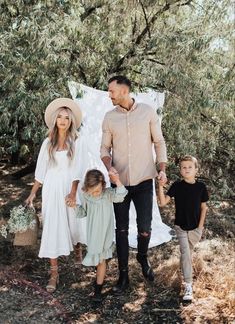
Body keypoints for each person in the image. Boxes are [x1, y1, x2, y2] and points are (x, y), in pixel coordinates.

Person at [100, 75, 168, 294]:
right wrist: (109, 166)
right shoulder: (109, 117)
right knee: (120, 229)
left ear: (124, 91)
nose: (109, 94)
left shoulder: (147, 112)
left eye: (111, 91)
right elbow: (104, 149)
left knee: (145, 228)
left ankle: (142, 257)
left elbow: (159, 142)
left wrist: (162, 168)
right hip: (119, 183)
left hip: (144, 180)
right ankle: (123, 276)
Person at [26, 98, 85, 293]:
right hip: (51, 189)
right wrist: (32, 194)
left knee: (74, 223)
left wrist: (74, 192)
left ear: (71, 121)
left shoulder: (77, 141)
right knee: (52, 227)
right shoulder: (47, 143)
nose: (62, 120)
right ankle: (54, 273)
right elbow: (40, 172)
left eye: (66, 118)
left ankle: (77, 249)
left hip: (70, 187)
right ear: (55, 120)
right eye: (59, 117)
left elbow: (78, 169)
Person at [158, 155, 209, 301]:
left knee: (186, 255)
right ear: (180, 170)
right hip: (180, 227)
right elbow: (162, 203)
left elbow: (204, 208)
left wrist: (200, 228)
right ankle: (188, 286)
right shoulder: (176, 186)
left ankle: (184, 275)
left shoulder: (201, 187)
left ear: (196, 170)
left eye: (190, 167)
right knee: (186, 253)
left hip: (195, 229)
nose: (187, 170)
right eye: (184, 167)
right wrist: (160, 186)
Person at [75, 169, 128, 302]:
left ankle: (98, 290)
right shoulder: (87, 196)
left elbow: (121, 194)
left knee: (101, 260)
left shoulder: (108, 194)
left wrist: (116, 180)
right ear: (87, 188)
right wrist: (74, 206)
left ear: (103, 185)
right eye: (92, 191)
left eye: (97, 190)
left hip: (105, 234)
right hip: (93, 235)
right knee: (97, 260)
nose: (95, 194)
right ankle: (98, 278)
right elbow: (83, 212)